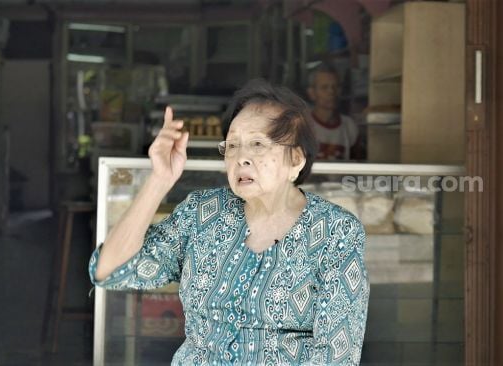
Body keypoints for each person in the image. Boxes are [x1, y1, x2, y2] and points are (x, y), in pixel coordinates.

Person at [89, 79, 370, 365]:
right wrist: (160, 180)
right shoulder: (202, 214)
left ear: (296, 159)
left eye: (258, 144)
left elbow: (337, 357)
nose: (241, 158)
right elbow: (110, 270)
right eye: (233, 145)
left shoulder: (336, 232)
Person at [307, 64, 361, 160]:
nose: (331, 92)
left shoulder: (349, 126)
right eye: (324, 87)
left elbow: (357, 166)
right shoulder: (303, 125)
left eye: (335, 86)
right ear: (312, 93)